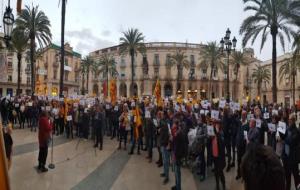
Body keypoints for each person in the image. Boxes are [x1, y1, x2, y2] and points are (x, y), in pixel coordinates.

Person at [282, 113, 300, 190]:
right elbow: (284, 137)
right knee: (287, 177)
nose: (289, 121)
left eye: (290, 120)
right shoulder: (287, 129)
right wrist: (280, 132)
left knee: (296, 177)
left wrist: (283, 139)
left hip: (293, 158)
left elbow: (291, 141)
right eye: (289, 120)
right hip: (286, 157)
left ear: (293, 121)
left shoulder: (296, 131)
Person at [211, 119, 226, 190]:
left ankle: (223, 185)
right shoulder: (213, 132)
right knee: (216, 172)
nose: (216, 125)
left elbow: (222, 144)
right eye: (215, 124)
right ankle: (217, 185)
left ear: (220, 125)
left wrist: (217, 133)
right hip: (214, 155)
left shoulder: (221, 133)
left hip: (220, 156)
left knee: (220, 172)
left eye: (217, 124)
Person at [235, 110, 248, 180]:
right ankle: (239, 173)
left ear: (246, 116)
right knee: (238, 160)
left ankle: (244, 175)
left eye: (244, 115)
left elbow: (248, 133)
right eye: (242, 115)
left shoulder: (247, 124)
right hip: (238, 144)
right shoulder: (238, 122)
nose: (243, 116)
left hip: (244, 144)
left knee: (244, 160)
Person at [159, 111, 170, 185]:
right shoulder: (162, 122)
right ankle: (165, 172)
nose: (161, 115)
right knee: (163, 159)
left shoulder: (167, 123)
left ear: (165, 115)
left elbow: (169, 134)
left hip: (166, 144)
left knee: (166, 161)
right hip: (162, 143)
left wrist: (168, 144)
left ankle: (167, 177)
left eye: (162, 114)